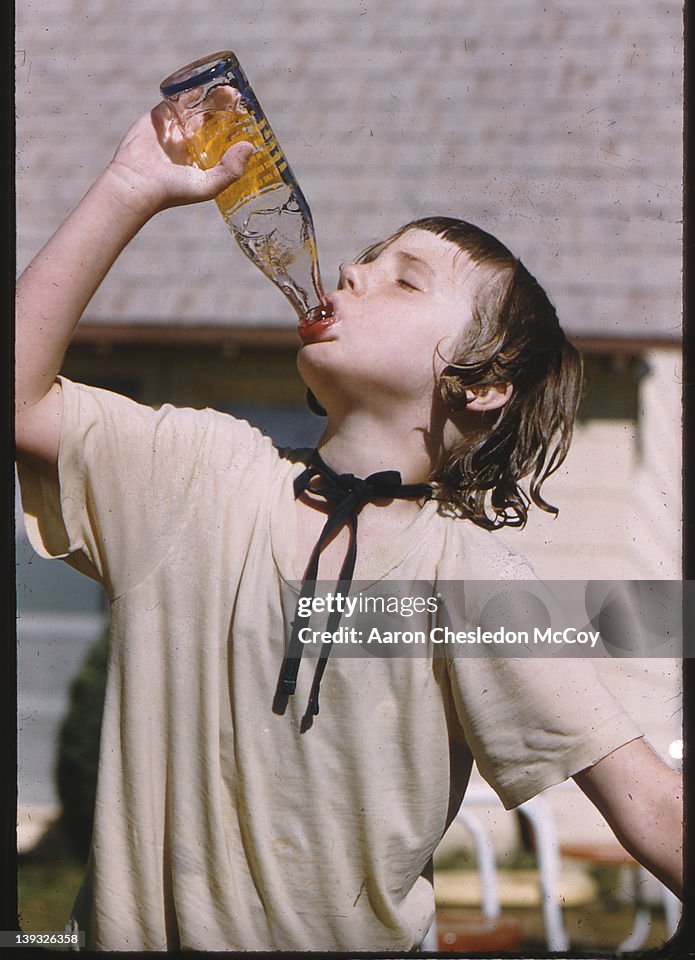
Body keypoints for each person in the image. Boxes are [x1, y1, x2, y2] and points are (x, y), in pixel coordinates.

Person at [15, 102, 682, 952]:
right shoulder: (195, 470)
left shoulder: (468, 582)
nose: (353, 275)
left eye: (403, 278)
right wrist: (129, 187)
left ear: (482, 384)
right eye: (364, 260)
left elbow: (652, 807)